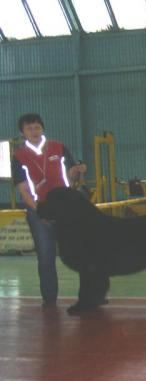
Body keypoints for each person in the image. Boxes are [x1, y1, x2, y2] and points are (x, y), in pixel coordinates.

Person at [11, 113, 87, 308]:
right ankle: (49, 299)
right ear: (23, 133)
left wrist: (76, 171)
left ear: (42, 128)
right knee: (46, 256)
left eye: (37, 127)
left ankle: (89, 294)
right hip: (39, 211)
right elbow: (24, 190)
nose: (34, 131)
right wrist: (40, 212)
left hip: (66, 209)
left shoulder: (58, 148)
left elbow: (71, 176)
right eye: (29, 128)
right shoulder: (18, 156)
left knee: (80, 251)